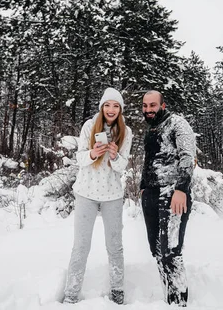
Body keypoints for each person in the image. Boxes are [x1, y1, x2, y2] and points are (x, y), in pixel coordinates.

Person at [63, 87, 133, 305]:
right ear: (102, 107)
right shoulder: (89, 126)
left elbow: (122, 166)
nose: (111, 109)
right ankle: (71, 293)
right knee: (81, 245)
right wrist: (93, 153)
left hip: (112, 195)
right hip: (86, 193)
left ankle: (118, 290)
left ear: (120, 109)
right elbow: (80, 159)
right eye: (107, 105)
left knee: (115, 245)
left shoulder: (126, 132)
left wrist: (114, 156)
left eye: (116, 106)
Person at [140, 90, 196, 306]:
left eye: (152, 105)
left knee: (171, 251)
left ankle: (179, 303)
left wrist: (181, 189)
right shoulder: (151, 129)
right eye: (145, 106)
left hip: (172, 194)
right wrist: (143, 188)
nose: (148, 110)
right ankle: (168, 299)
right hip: (151, 195)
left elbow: (187, 157)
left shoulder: (177, 124)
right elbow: (150, 160)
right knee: (156, 250)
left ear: (162, 105)